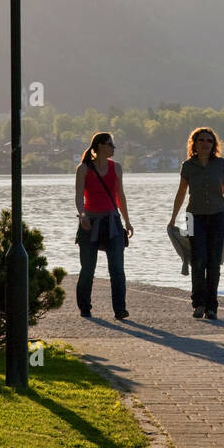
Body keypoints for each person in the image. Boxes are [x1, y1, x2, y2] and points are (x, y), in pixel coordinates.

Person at [169, 126, 224, 320]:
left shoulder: (221, 164)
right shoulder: (188, 166)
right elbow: (181, 193)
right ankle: (198, 304)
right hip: (193, 217)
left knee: (214, 262)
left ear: (213, 144)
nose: (205, 143)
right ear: (194, 144)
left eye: (209, 140)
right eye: (201, 140)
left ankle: (212, 307)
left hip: (217, 216)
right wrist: (173, 217)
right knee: (198, 260)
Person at [75, 132, 134, 319]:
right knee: (87, 269)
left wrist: (127, 221)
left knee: (117, 269)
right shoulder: (83, 169)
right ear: (100, 146)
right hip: (89, 223)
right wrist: (82, 215)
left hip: (112, 223)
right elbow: (78, 196)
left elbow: (120, 196)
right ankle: (85, 308)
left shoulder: (116, 168)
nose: (113, 148)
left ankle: (120, 310)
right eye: (110, 144)